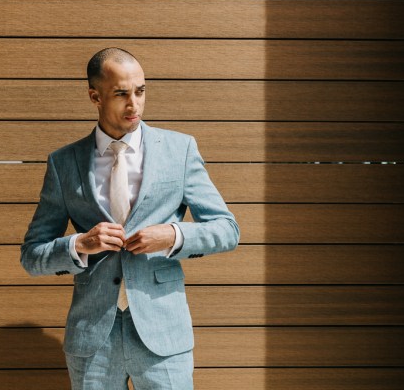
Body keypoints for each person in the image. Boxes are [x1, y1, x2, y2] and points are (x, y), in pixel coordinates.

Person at [20, 48, 240, 389]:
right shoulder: (64, 163)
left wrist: (172, 235)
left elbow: (227, 230)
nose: (133, 104)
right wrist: (80, 244)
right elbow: (32, 256)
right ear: (95, 96)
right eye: (121, 93)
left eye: (140, 91)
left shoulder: (179, 151)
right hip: (93, 338)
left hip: (163, 334)